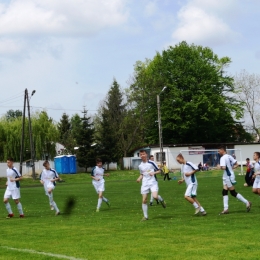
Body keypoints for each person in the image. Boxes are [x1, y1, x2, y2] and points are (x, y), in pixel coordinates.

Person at [218, 146, 251, 214]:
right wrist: (231, 168)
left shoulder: (223, 158)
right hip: (227, 175)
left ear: (222, 150)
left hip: (228, 176)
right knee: (224, 192)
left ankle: (247, 202)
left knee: (232, 192)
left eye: (219, 151)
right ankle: (226, 209)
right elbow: (237, 164)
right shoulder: (229, 156)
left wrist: (219, 167)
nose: (218, 152)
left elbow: (223, 167)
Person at [136, 150, 166, 221]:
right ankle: (145, 217)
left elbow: (159, 170)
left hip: (152, 182)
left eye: (143, 154)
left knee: (155, 197)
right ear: (140, 156)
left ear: (146, 155)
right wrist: (139, 179)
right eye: (141, 154)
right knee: (144, 200)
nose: (142, 155)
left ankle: (161, 199)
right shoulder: (140, 165)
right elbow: (142, 174)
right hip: (145, 183)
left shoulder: (151, 163)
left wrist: (154, 173)